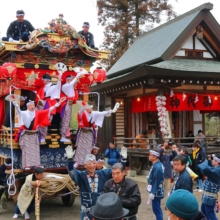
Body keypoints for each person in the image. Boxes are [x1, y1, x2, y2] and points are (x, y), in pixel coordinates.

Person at [66, 146, 113, 220]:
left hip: (99, 210)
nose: (92, 165)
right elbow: (72, 172)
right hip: (86, 211)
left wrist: (123, 160)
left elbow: (116, 171)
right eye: (89, 163)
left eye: (94, 163)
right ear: (85, 165)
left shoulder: (102, 174)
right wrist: (70, 161)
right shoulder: (81, 175)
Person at [13, 100, 61, 168]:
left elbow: (47, 110)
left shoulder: (37, 113)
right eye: (31, 105)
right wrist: (17, 106)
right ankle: (27, 165)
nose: (32, 107)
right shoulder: (24, 113)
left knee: (35, 150)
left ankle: (36, 164)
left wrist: (57, 105)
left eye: (33, 105)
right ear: (27, 106)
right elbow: (19, 112)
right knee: (27, 151)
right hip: (26, 134)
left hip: (34, 134)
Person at [60, 68, 86, 142]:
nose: (73, 81)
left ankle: (64, 135)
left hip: (70, 103)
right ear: (68, 80)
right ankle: (63, 136)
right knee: (65, 119)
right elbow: (71, 84)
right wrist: (77, 75)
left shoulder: (70, 86)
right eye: (71, 79)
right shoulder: (65, 86)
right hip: (66, 103)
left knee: (68, 120)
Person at [36, 73, 62, 143]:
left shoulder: (53, 86)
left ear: (47, 80)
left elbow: (58, 86)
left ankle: (43, 136)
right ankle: (39, 135)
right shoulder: (43, 87)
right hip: (42, 104)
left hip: (49, 104)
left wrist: (60, 77)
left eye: (43, 80)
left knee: (46, 120)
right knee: (39, 120)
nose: (43, 82)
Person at [198, 153, 220, 220]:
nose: (212, 161)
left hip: (210, 197)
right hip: (207, 195)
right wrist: (209, 160)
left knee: (209, 213)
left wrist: (205, 161)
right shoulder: (216, 168)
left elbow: (205, 169)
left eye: (213, 160)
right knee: (203, 210)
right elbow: (209, 167)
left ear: (217, 162)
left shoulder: (217, 170)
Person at [147, 149, 164, 220]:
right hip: (157, 189)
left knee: (156, 210)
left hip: (156, 191)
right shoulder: (157, 165)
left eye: (150, 155)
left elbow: (157, 180)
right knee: (158, 209)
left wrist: (153, 192)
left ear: (155, 157)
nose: (148, 156)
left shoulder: (157, 167)